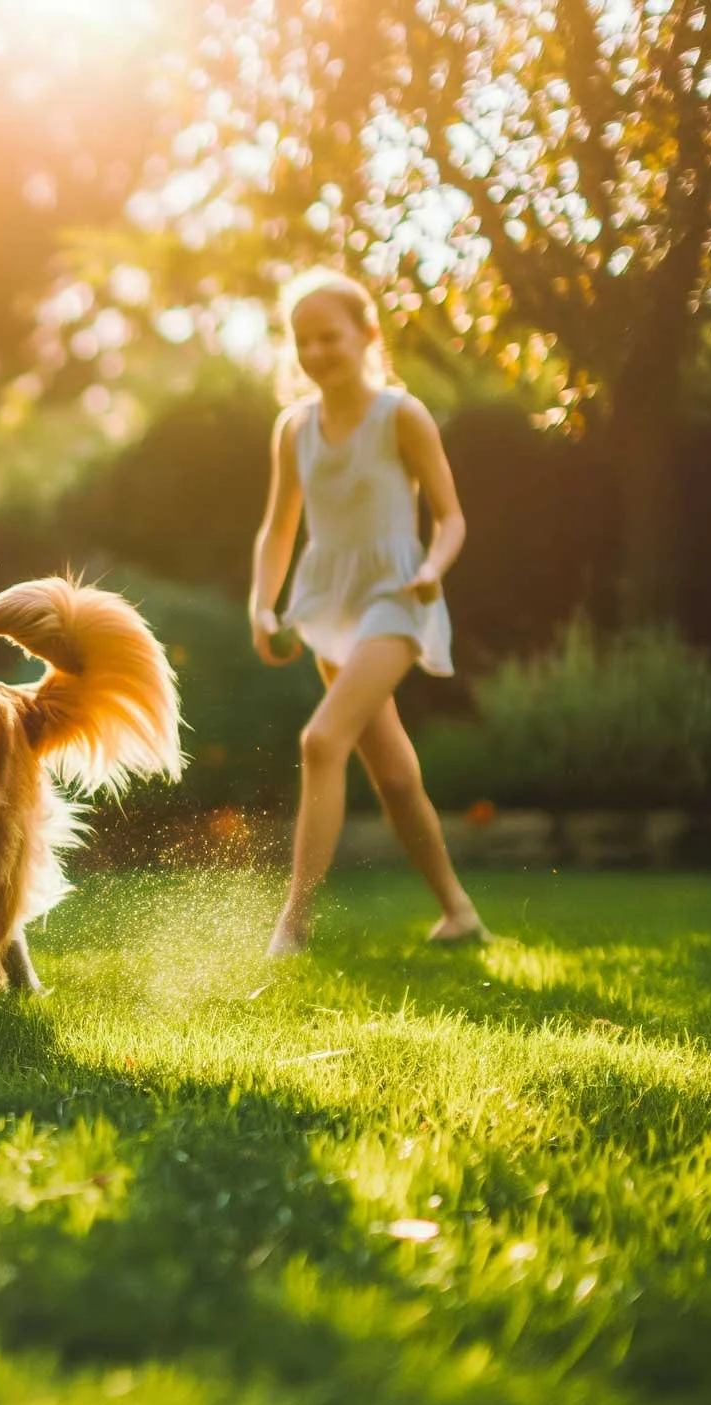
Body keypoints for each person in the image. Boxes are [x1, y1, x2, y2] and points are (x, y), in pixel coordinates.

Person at [249, 270, 488, 956]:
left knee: (321, 741)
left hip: (398, 597)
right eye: (303, 341)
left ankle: (291, 926)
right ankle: (459, 912)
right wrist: (263, 607)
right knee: (394, 773)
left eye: (330, 336)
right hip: (329, 602)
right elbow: (278, 528)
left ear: (367, 334)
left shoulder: (400, 415)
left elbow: (450, 517)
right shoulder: (292, 427)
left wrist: (431, 569)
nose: (317, 352)